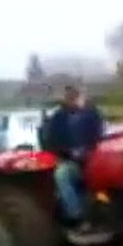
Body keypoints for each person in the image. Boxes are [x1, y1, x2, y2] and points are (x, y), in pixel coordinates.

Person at [44, 85, 106, 236]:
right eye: (69, 97)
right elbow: (51, 142)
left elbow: (99, 136)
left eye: (75, 96)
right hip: (72, 161)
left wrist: (88, 150)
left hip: (95, 158)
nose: (72, 100)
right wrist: (68, 152)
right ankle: (78, 216)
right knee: (62, 175)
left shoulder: (92, 114)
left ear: (81, 97)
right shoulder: (58, 118)